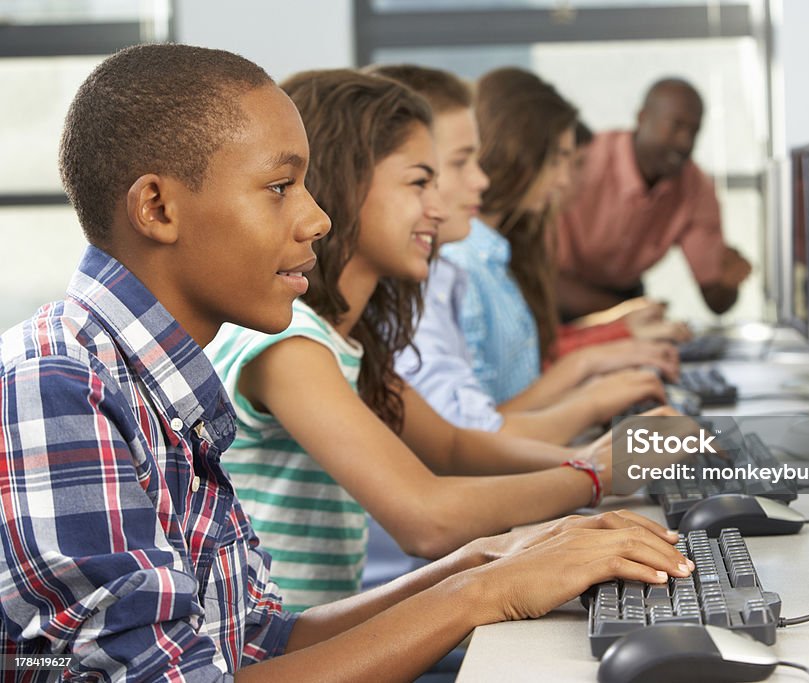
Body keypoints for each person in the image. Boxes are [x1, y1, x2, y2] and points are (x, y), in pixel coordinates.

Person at [0, 45, 692, 681]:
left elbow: (254, 640)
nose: (316, 219)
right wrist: (486, 586)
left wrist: (488, 561)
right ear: (157, 206)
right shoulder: (60, 385)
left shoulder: (163, 383)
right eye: (280, 187)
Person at [206, 68, 694, 610]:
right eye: (420, 183)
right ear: (347, 183)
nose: (439, 208)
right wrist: (596, 472)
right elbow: (425, 518)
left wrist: (594, 456)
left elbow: (458, 446)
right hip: (285, 652)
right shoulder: (291, 346)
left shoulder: (346, 343)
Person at [378, 65, 674, 444]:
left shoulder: (465, 265)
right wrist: (592, 405)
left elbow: (470, 431)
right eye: (560, 159)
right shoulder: (458, 263)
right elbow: (469, 439)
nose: (567, 180)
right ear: (522, 154)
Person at [556, 77, 753, 319]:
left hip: (626, 296)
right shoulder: (582, 162)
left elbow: (716, 301)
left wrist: (728, 282)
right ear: (641, 117)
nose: (685, 142)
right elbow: (541, 281)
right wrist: (630, 312)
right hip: (559, 293)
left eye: (694, 131)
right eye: (676, 126)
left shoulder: (695, 187)